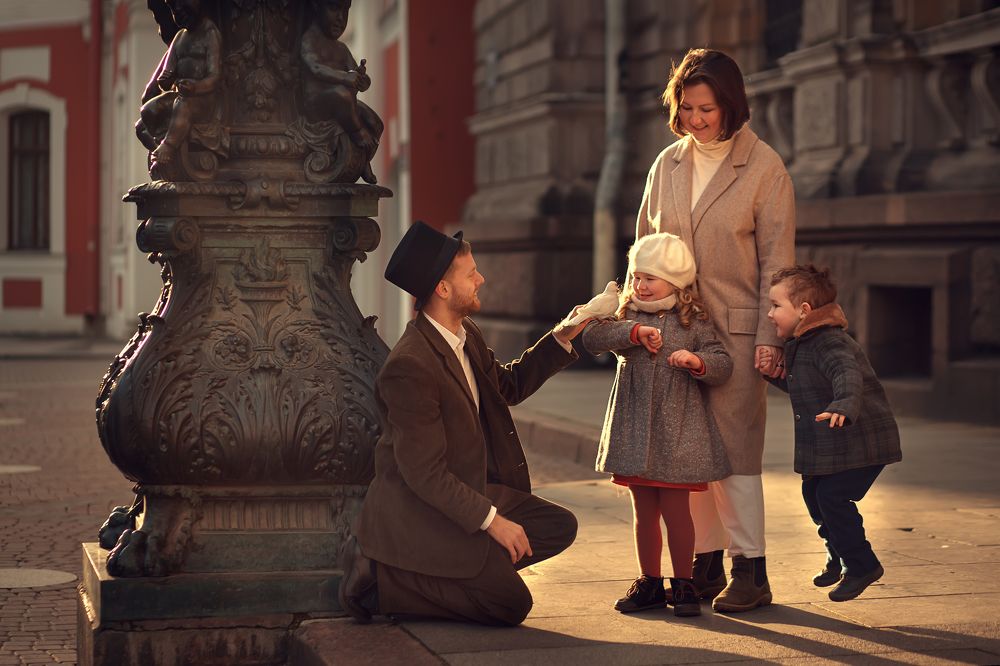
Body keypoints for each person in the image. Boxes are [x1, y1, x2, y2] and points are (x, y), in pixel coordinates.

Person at [338, 221, 586, 626]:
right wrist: (492, 522)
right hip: (423, 514)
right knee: (510, 605)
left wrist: (561, 337)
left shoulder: (463, 333)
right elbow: (425, 476)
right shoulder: (409, 367)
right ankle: (383, 582)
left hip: (467, 489)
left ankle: (469, 567)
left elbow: (506, 385)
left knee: (558, 526)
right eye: (471, 274)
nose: (481, 279)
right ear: (443, 289)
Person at [634, 47, 796, 612]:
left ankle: (750, 569)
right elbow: (644, 252)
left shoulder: (765, 167)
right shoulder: (666, 164)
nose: (695, 120)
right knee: (687, 453)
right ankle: (702, 565)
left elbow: (779, 263)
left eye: (706, 109)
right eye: (686, 109)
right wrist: (632, 320)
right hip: (671, 334)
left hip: (738, 333)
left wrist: (773, 341)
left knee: (735, 453)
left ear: (731, 104)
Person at [582, 232, 733, 617]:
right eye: (637, 276)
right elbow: (593, 337)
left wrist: (697, 362)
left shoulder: (692, 319)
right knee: (643, 510)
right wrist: (632, 333)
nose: (640, 285)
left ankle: (684, 583)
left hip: (678, 431)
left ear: (676, 280)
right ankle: (649, 581)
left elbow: (721, 361)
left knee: (676, 510)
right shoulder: (625, 312)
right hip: (633, 429)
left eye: (651, 277)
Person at [764, 265, 902, 601]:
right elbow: (806, 386)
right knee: (813, 494)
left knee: (832, 497)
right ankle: (838, 554)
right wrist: (773, 375)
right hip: (833, 443)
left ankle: (861, 564)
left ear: (804, 310)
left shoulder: (829, 341)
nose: (769, 314)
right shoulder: (802, 342)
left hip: (863, 440)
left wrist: (843, 404)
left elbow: (846, 374)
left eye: (776, 306)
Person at [136, 0, 222, 167]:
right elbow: (166, 76)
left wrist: (196, 87)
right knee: (143, 120)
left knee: (183, 104)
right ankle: (163, 155)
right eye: (173, 8)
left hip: (201, 99)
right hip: (182, 94)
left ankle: (168, 147)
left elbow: (215, 75)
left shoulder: (210, 32)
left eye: (182, 5)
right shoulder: (180, 37)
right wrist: (166, 79)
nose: (177, 11)